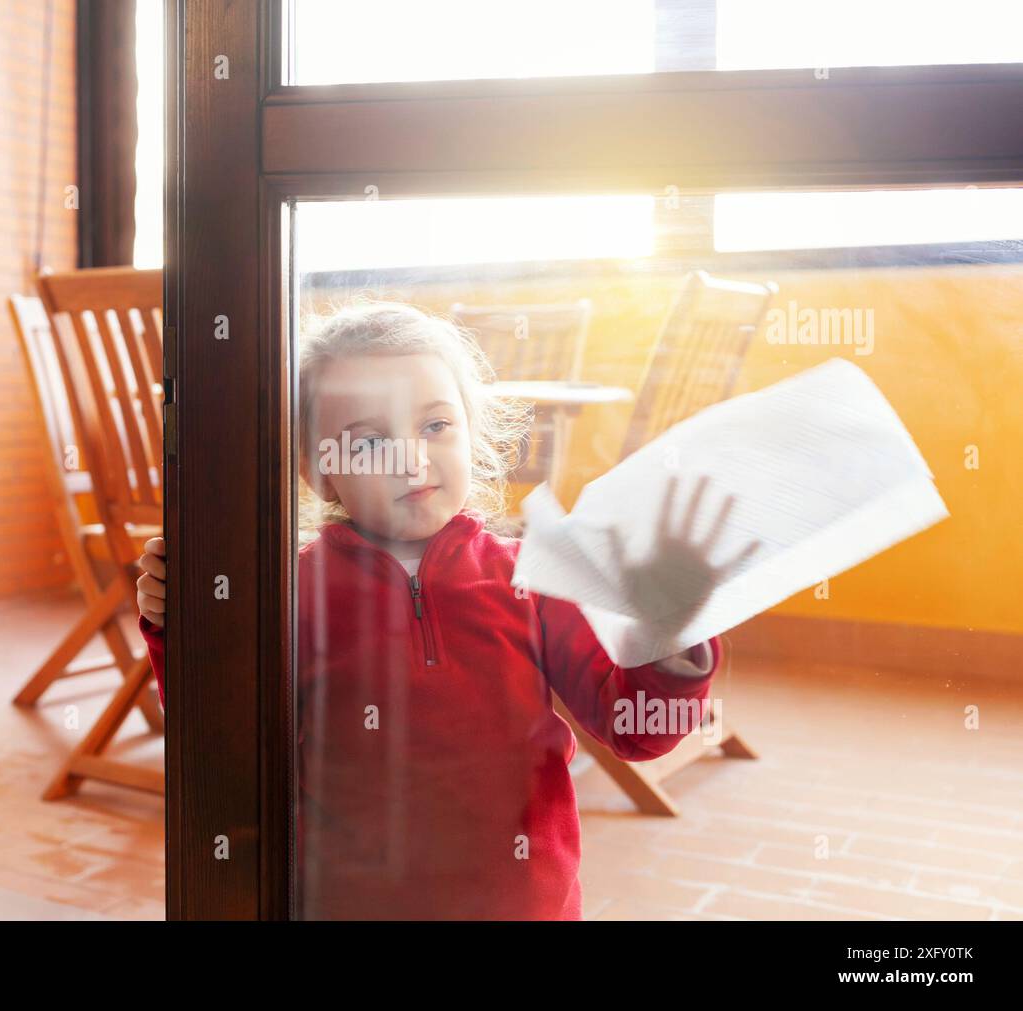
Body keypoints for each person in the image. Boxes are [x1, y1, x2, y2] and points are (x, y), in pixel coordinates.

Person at [136, 300, 758, 920]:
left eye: (436, 426)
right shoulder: (291, 591)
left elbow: (638, 733)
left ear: (471, 430)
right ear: (319, 472)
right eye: (371, 441)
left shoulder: (536, 576)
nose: (412, 459)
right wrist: (179, 628)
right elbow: (219, 733)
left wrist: (672, 639)